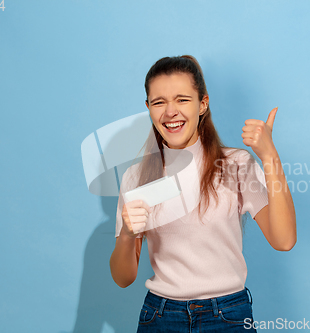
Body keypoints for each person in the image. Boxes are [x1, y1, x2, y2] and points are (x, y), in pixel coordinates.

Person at [110, 55, 296, 332]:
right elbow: (123, 278)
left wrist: (270, 156)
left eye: (182, 99)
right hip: (160, 317)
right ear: (148, 108)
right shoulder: (136, 177)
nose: (170, 112)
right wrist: (126, 234)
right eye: (159, 102)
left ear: (203, 104)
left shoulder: (236, 164)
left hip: (228, 315)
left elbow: (283, 240)